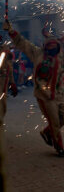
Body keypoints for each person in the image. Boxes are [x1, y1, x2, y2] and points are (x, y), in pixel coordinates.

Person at [3, 21, 64, 157]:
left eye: (54, 47)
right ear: (45, 47)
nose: (52, 50)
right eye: (50, 47)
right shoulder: (37, 54)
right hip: (44, 94)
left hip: (59, 92)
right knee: (54, 121)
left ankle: (46, 132)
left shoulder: (60, 57)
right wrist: (11, 31)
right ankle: (59, 147)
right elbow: (22, 43)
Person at [0, 39, 18, 190]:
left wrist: (12, 82)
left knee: (3, 107)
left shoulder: (4, 50)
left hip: (2, 83)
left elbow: (9, 66)